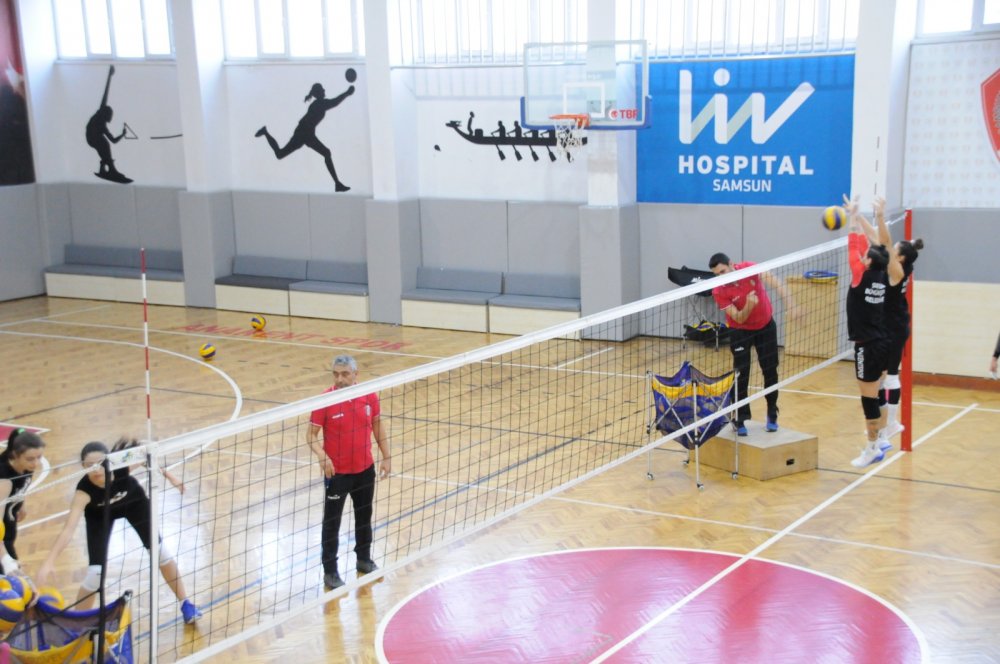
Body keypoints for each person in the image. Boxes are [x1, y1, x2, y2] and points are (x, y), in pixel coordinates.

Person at [36, 438, 202, 623]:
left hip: (133, 503)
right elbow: (68, 530)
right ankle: (76, 624)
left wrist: (170, 476)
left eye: (100, 464)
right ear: (83, 466)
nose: (96, 470)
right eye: (90, 466)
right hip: (99, 515)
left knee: (160, 551)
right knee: (95, 574)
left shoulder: (121, 467)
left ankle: (186, 604)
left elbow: (147, 454)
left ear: (109, 461)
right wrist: (49, 561)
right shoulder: (83, 492)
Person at [308, 355, 390, 590]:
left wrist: (387, 456)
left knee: (364, 517)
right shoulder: (325, 399)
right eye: (336, 374)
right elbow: (310, 436)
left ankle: (363, 559)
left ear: (355, 374)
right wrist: (322, 455)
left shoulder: (369, 396)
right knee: (331, 523)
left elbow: (377, 425)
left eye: (344, 374)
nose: (339, 379)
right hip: (338, 475)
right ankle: (330, 571)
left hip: (365, 470)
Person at [709, 253, 792, 435]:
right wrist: (748, 305)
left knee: (770, 370)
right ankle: (740, 417)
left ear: (732, 264)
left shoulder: (749, 268)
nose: (721, 276)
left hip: (765, 326)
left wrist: (791, 305)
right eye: (717, 274)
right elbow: (739, 317)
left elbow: (776, 283)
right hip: (740, 331)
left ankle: (772, 412)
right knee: (741, 374)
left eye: (723, 271)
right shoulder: (718, 290)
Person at [871, 196, 924, 449]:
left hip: (893, 328)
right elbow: (880, 242)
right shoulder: (905, 264)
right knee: (881, 377)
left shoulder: (898, 271)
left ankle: (891, 423)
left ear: (899, 258)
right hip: (893, 324)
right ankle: (886, 426)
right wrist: (859, 220)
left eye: (895, 251)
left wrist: (881, 216)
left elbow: (885, 242)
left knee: (889, 376)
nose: (891, 251)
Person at [843, 196, 891, 468]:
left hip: (867, 346)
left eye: (865, 256)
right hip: (882, 342)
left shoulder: (860, 274)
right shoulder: (881, 273)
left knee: (868, 398)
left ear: (868, 262)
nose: (862, 256)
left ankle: (872, 448)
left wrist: (853, 218)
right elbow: (865, 246)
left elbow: (853, 244)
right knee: (878, 391)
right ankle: (881, 438)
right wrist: (857, 214)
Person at [255, 82, 355, 192]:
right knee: (281, 154)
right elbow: (335, 102)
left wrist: (347, 93)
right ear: (318, 93)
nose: (324, 90)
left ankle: (337, 184)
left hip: (306, 133)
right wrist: (347, 93)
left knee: (282, 154)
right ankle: (265, 132)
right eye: (322, 89)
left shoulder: (319, 103)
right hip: (303, 133)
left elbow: (333, 102)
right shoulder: (320, 104)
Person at [0, 429, 45, 574]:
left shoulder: (26, 466)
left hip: (9, 526)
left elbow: (23, 484)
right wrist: (5, 558)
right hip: (2, 536)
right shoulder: (4, 480)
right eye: (30, 459)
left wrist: (21, 503)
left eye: (39, 457)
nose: (36, 463)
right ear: (15, 455)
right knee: (16, 580)